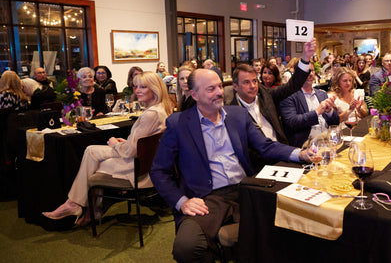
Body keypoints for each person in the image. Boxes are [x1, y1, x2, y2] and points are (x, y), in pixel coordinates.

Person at [149, 68, 312, 262]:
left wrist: (300, 154)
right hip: (207, 198)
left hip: (247, 189)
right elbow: (159, 171)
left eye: (219, 86)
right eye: (211, 89)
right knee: (187, 248)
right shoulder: (178, 123)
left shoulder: (237, 115)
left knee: (296, 220)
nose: (219, 92)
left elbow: (265, 146)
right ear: (194, 95)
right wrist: (182, 201)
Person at [42, 72, 173, 226]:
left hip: (137, 167)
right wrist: (125, 142)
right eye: (136, 86)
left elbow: (131, 151)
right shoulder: (161, 109)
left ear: (155, 89)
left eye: (143, 87)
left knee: (93, 165)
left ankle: (79, 206)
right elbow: (142, 144)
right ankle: (84, 208)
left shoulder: (151, 114)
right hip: (144, 162)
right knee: (91, 151)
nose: (137, 90)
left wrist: (115, 144)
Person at [227, 39, 316, 146]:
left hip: (282, 149)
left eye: (254, 81)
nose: (253, 86)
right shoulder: (232, 110)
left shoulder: (264, 94)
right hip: (260, 159)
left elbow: (292, 86)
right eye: (246, 82)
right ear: (235, 86)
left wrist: (306, 58)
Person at [280, 63, 340, 148]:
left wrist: (330, 111)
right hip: (307, 146)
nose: (311, 74)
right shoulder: (289, 96)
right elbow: (292, 122)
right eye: (307, 71)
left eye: (312, 70)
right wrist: (316, 112)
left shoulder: (322, 94)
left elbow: (335, 123)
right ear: (298, 74)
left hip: (328, 141)